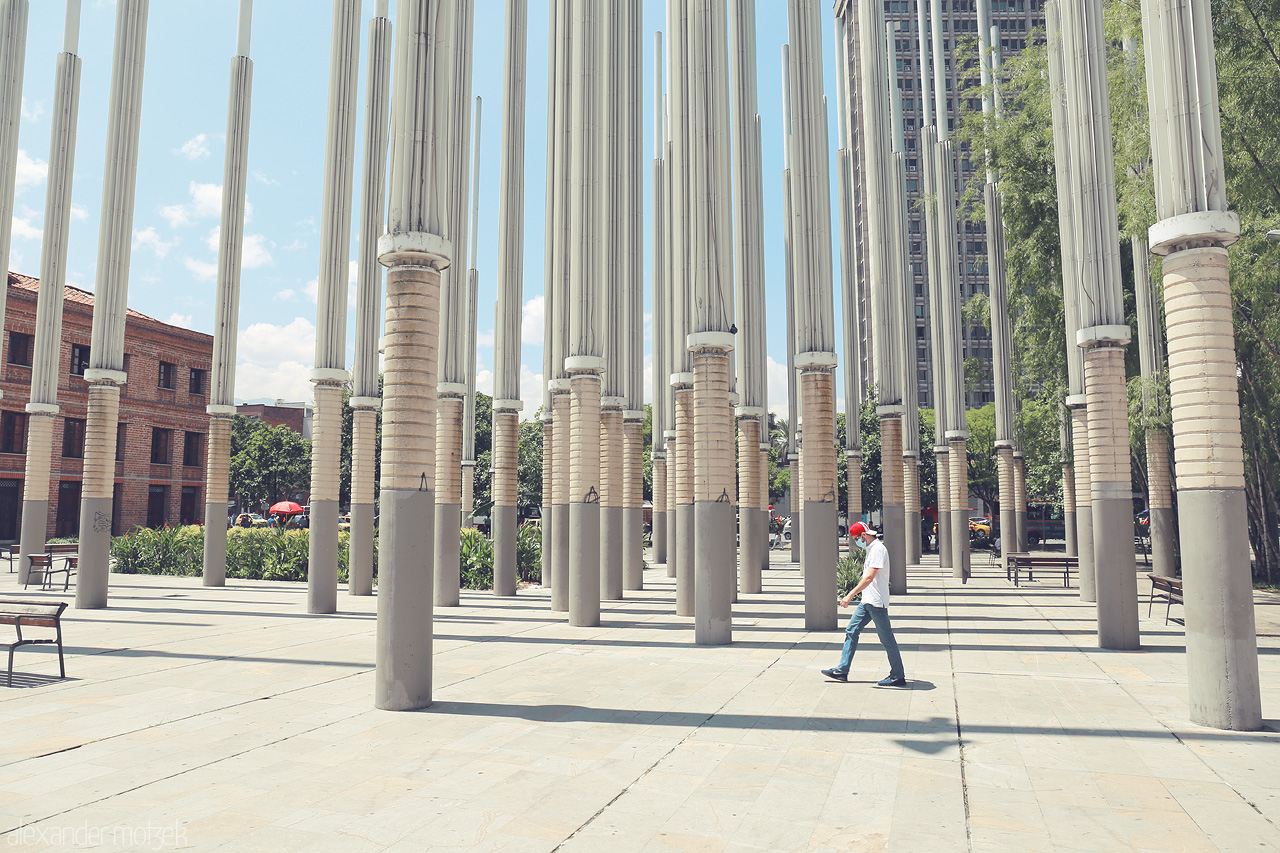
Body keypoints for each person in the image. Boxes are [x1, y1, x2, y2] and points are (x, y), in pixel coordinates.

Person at [822, 522, 906, 687]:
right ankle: (842, 670)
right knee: (851, 630)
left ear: (864, 535)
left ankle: (898, 675)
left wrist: (849, 595)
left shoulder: (878, 549)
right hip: (867, 601)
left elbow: (869, 577)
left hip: (876, 602)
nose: (856, 542)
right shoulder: (871, 549)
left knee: (886, 638)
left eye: (856, 538)